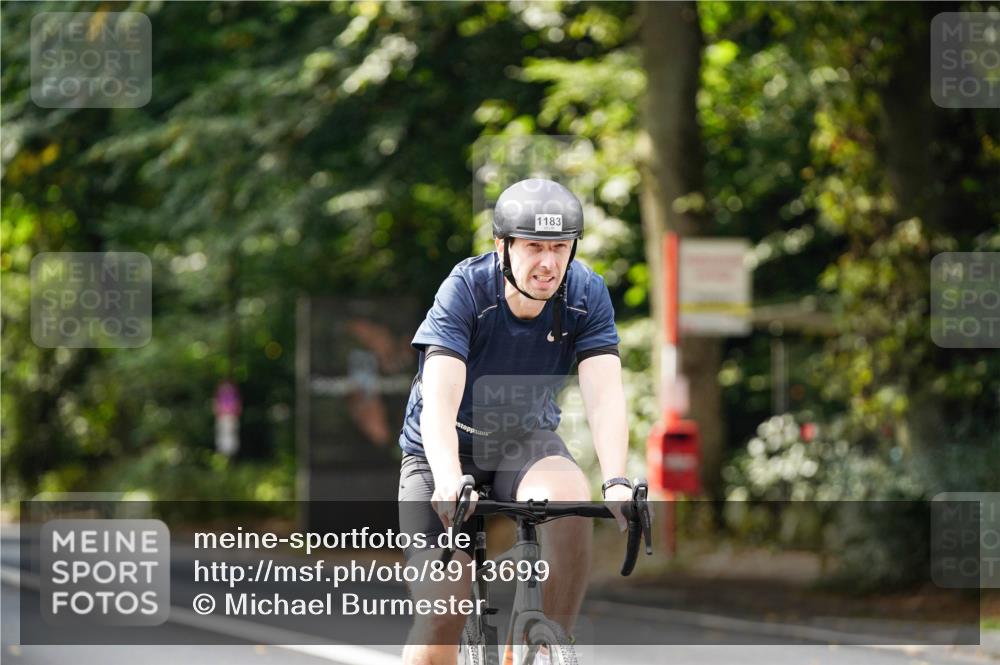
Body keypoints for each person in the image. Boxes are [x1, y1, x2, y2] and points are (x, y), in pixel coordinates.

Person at [397, 178, 633, 665]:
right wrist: (445, 478)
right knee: (445, 607)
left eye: (559, 247)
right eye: (533, 247)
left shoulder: (585, 294)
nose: (547, 262)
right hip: (440, 453)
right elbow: (440, 403)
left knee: (569, 497)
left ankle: (546, 645)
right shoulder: (466, 290)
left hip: (522, 443)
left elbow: (605, 394)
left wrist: (616, 479)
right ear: (502, 246)